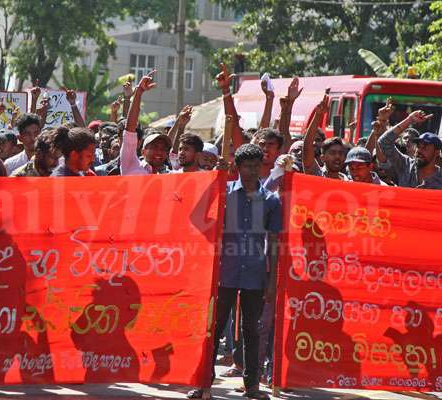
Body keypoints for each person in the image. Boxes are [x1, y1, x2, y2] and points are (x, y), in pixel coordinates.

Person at [189, 143, 281, 400]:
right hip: (222, 273)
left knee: (251, 330)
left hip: (255, 274)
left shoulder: (271, 200)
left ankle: (252, 387)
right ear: (237, 167)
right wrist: (212, 182)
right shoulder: (222, 192)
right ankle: (202, 383)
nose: (252, 171)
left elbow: (275, 244)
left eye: (256, 166)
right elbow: (197, 218)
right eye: (247, 166)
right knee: (214, 329)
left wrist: (272, 281)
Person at [120, 70, 172, 175]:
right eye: (154, 147)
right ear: (143, 151)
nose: (159, 152)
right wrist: (139, 92)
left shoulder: (166, 178)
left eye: (163, 149)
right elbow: (130, 129)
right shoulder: (131, 164)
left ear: (167, 155)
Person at [378, 110, 442, 189]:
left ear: (436, 152)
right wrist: (410, 120)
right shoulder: (405, 165)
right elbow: (384, 142)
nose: (419, 150)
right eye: (418, 146)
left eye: (425, 147)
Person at [303, 95, 349, 180]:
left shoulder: (348, 181)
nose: (337, 157)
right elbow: (307, 147)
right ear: (322, 158)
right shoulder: (316, 175)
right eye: (332, 153)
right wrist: (318, 115)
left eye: (341, 153)